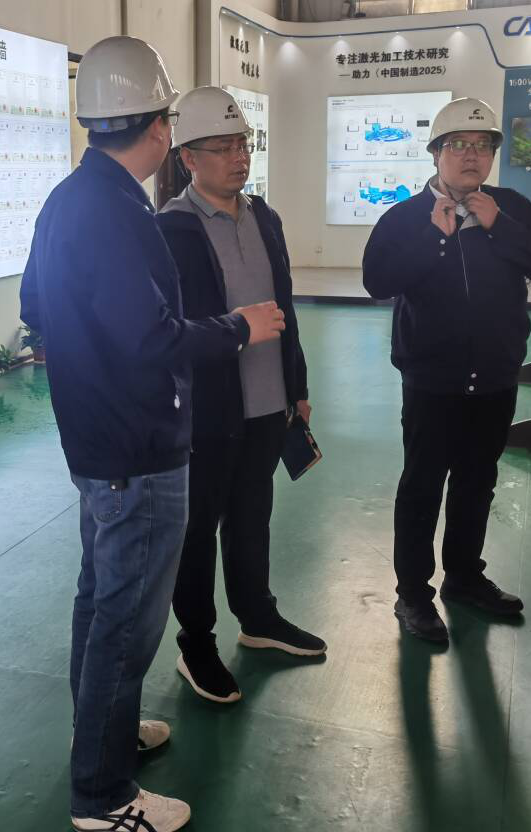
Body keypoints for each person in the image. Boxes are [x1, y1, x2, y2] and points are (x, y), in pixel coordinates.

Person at [20, 37, 285, 832]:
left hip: (99, 443)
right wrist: (239, 328)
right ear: (162, 129)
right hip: (136, 450)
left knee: (100, 597)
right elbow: (152, 339)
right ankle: (103, 795)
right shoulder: (117, 212)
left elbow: (36, 307)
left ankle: (102, 730)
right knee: (127, 618)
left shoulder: (73, 199)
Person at [362, 97, 531, 645]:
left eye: (482, 145)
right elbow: (378, 280)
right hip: (432, 381)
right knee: (423, 486)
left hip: (495, 377)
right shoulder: (405, 217)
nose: (472, 155)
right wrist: (435, 237)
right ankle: (412, 594)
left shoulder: (512, 208)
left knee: (477, 482)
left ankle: (464, 577)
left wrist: (499, 227)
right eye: (458, 145)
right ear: (436, 153)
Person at [155, 87, 325, 707]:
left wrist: (296, 386)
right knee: (198, 530)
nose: (238, 157)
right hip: (208, 413)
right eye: (222, 148)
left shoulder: (264, 217)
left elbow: (286, 309)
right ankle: (196, 642)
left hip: (267, 404)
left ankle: (258, 617)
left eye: (242, 145)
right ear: (188, 158)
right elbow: (169, 333)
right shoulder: (171, 230)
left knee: (253, 517)